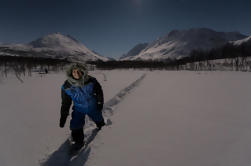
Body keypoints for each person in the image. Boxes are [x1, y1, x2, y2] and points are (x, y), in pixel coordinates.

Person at [59, 62, 106, 146]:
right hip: (79, 109)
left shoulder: (91, 81)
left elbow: (99, 92)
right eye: (74, 72)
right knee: (76, 124)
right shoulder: (67, 86)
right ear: (70, 72)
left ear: (82, 71)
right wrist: (63, 115)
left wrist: (100, 103)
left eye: (78, 71)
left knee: (99, 119)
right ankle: (78, 142)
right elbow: (66, 103)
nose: (76, 74)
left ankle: (103, 130)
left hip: (93, 107)